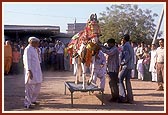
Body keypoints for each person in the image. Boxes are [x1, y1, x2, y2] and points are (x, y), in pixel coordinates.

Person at [23, 37, 43, 109]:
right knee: (30, 88)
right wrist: (29, 70)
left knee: (38, 85)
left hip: (37, 70)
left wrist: (38, 52)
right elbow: (27, 60)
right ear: (32, 42)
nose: (38, 44)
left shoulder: (35, 49)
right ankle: (27, 103)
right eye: (37, 43)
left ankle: (33, 100)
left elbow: (39, 60)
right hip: (31, 71)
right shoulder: (28, 49)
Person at [118, 34, 134, 103]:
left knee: (119, 79)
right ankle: (130, 98)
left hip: (126, 66)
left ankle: (123, 97)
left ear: (124, 39)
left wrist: (122, 63)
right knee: (127, 81)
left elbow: (127, 57)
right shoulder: (130, 46)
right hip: (130, 66)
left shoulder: (126, 46)